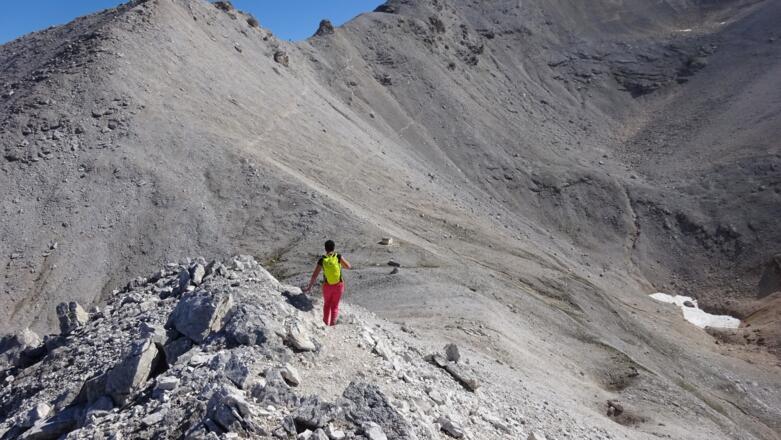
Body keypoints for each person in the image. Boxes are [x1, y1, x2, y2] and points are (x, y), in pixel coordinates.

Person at [303, 240, 352, 326]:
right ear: (334, 248)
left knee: (327, 305)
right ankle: (332, 325)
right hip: (339, 285)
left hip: (327, 286)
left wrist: (309, 287)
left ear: (325, 249)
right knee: (335, 306)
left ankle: (325, 324)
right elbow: (348, 266)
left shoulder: (322, 260)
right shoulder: (338, 257)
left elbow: (314, 275)